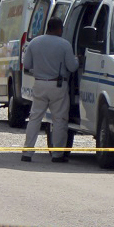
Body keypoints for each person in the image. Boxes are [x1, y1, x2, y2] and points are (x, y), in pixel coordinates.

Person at [20, 18, 79, 163]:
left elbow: (26, 64)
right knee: (59, 120)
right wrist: (78, 60)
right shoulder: (64, 44)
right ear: (59, 29)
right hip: (58, 85)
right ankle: (57, 154)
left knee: (35, 118)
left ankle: (27, 152)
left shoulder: (35, 42)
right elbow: (72, 67)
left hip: (39, 83)